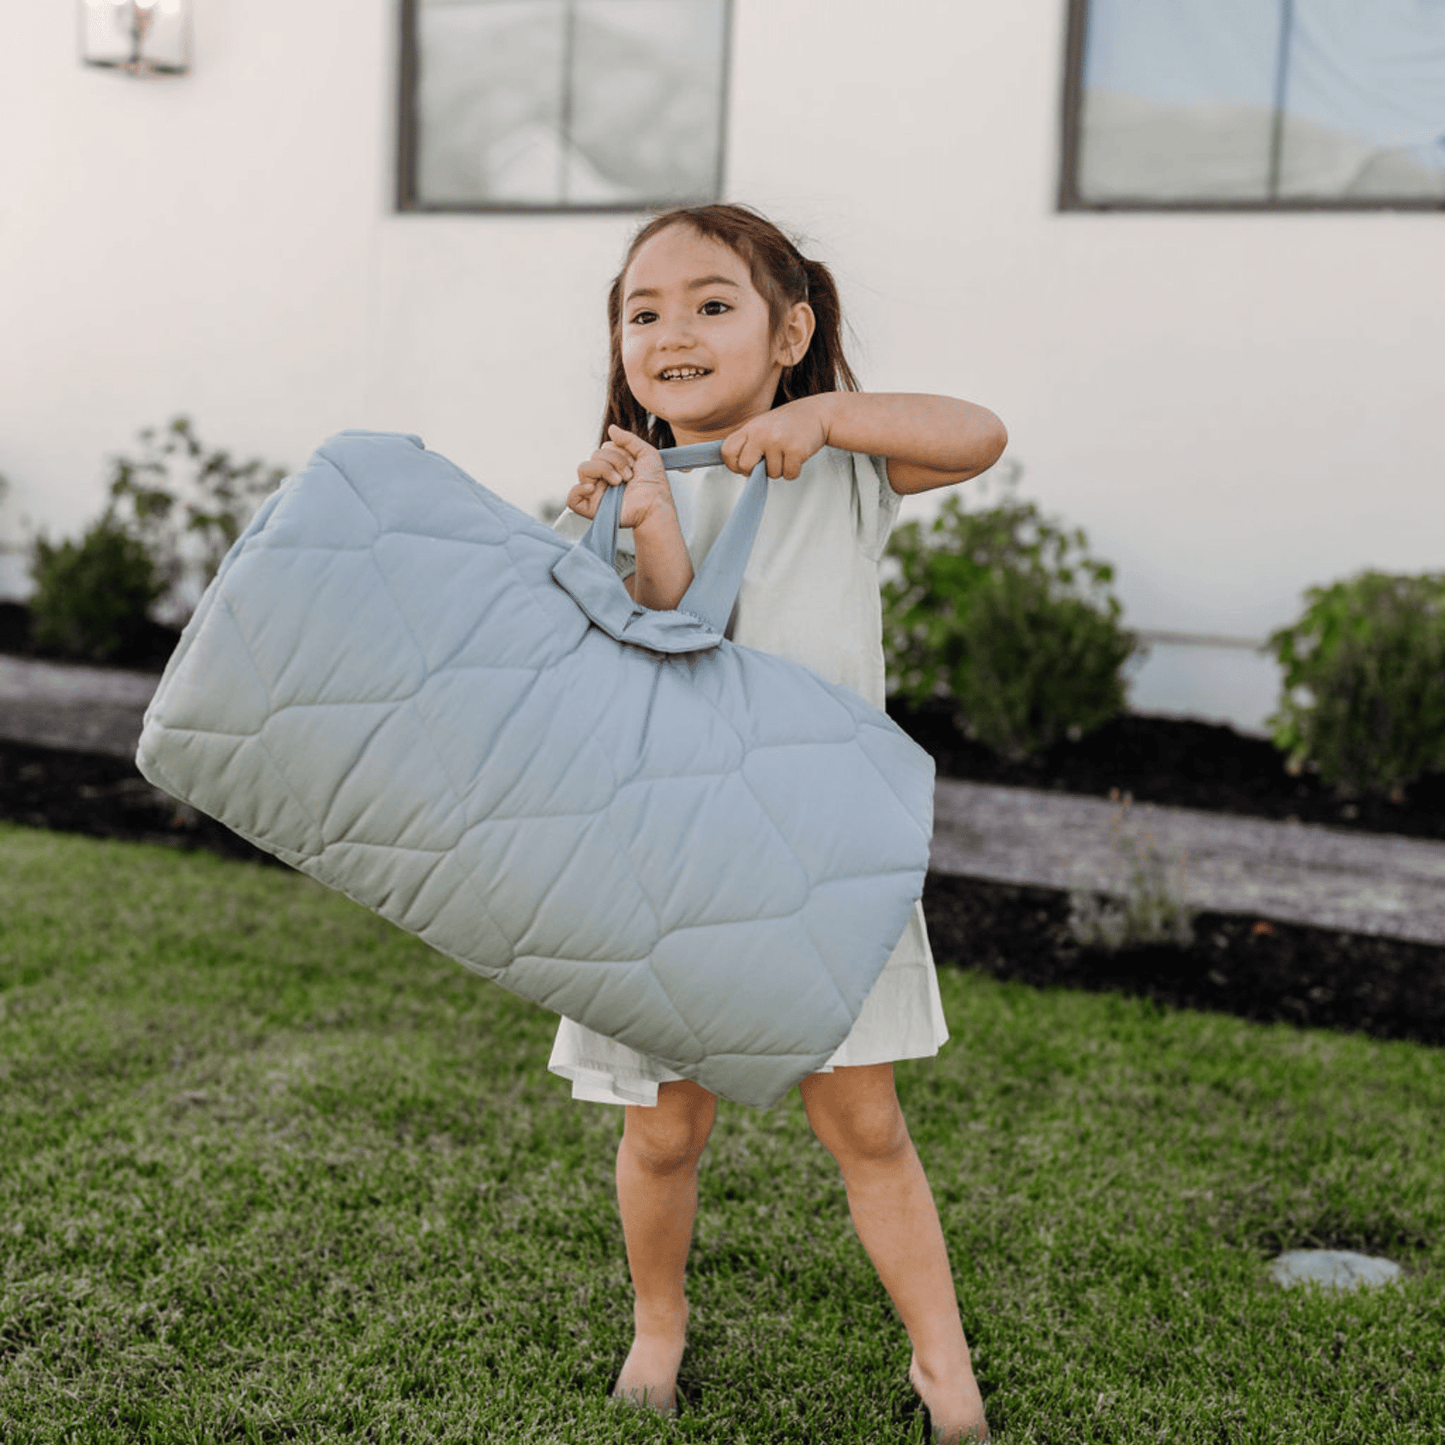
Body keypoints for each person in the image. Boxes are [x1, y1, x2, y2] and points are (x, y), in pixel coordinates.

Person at [548, 203, 1006, 1445]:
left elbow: (978, 434)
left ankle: (943, 1364)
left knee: (864, 1122)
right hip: (670, 863)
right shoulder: (616, 490)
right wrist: (633, 523)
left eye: (712, 304)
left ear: (788, 332)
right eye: (643, 312)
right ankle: (657, 1324)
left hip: (815, 852)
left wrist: (826, 417)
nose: (672, 332)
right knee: (663, 1130)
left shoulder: (842, 465)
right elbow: (666, 643)